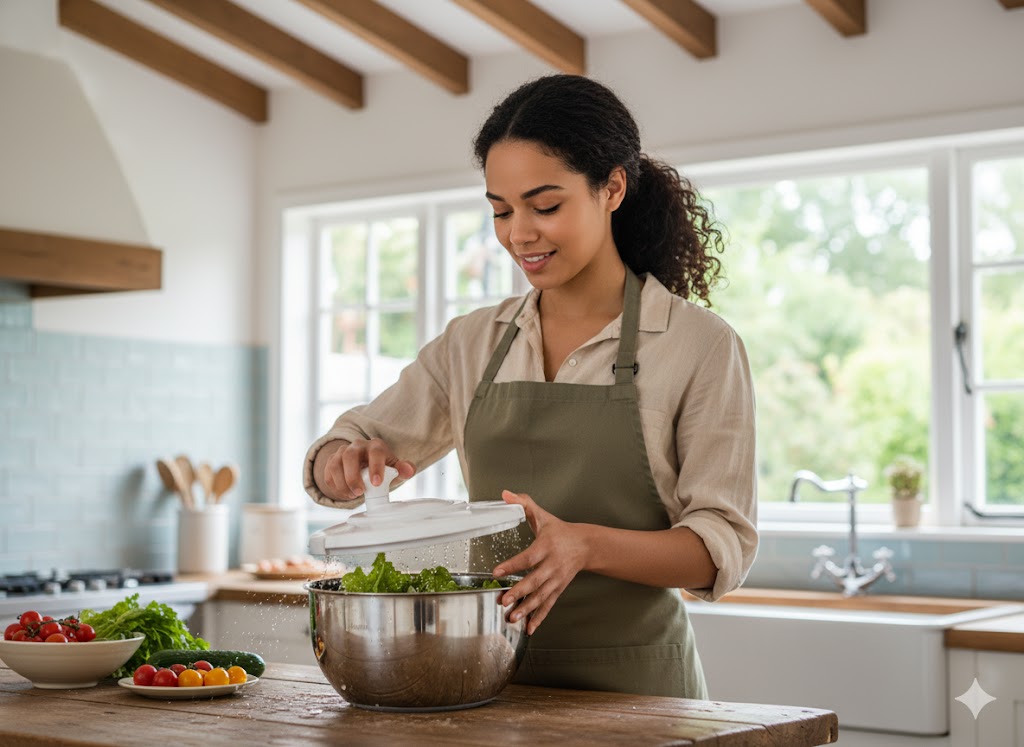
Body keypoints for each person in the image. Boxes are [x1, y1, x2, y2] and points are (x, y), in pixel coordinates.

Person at [304, 74, 757, 700]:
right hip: (484, 680)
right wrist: (344, 466)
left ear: (613, 188)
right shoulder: (473, 343)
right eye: (500, 210)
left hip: (639, 690)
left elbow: (719, 548)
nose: (519, 233)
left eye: (545, 206)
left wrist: (584, 546)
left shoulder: (696, 344)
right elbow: (354, 439)